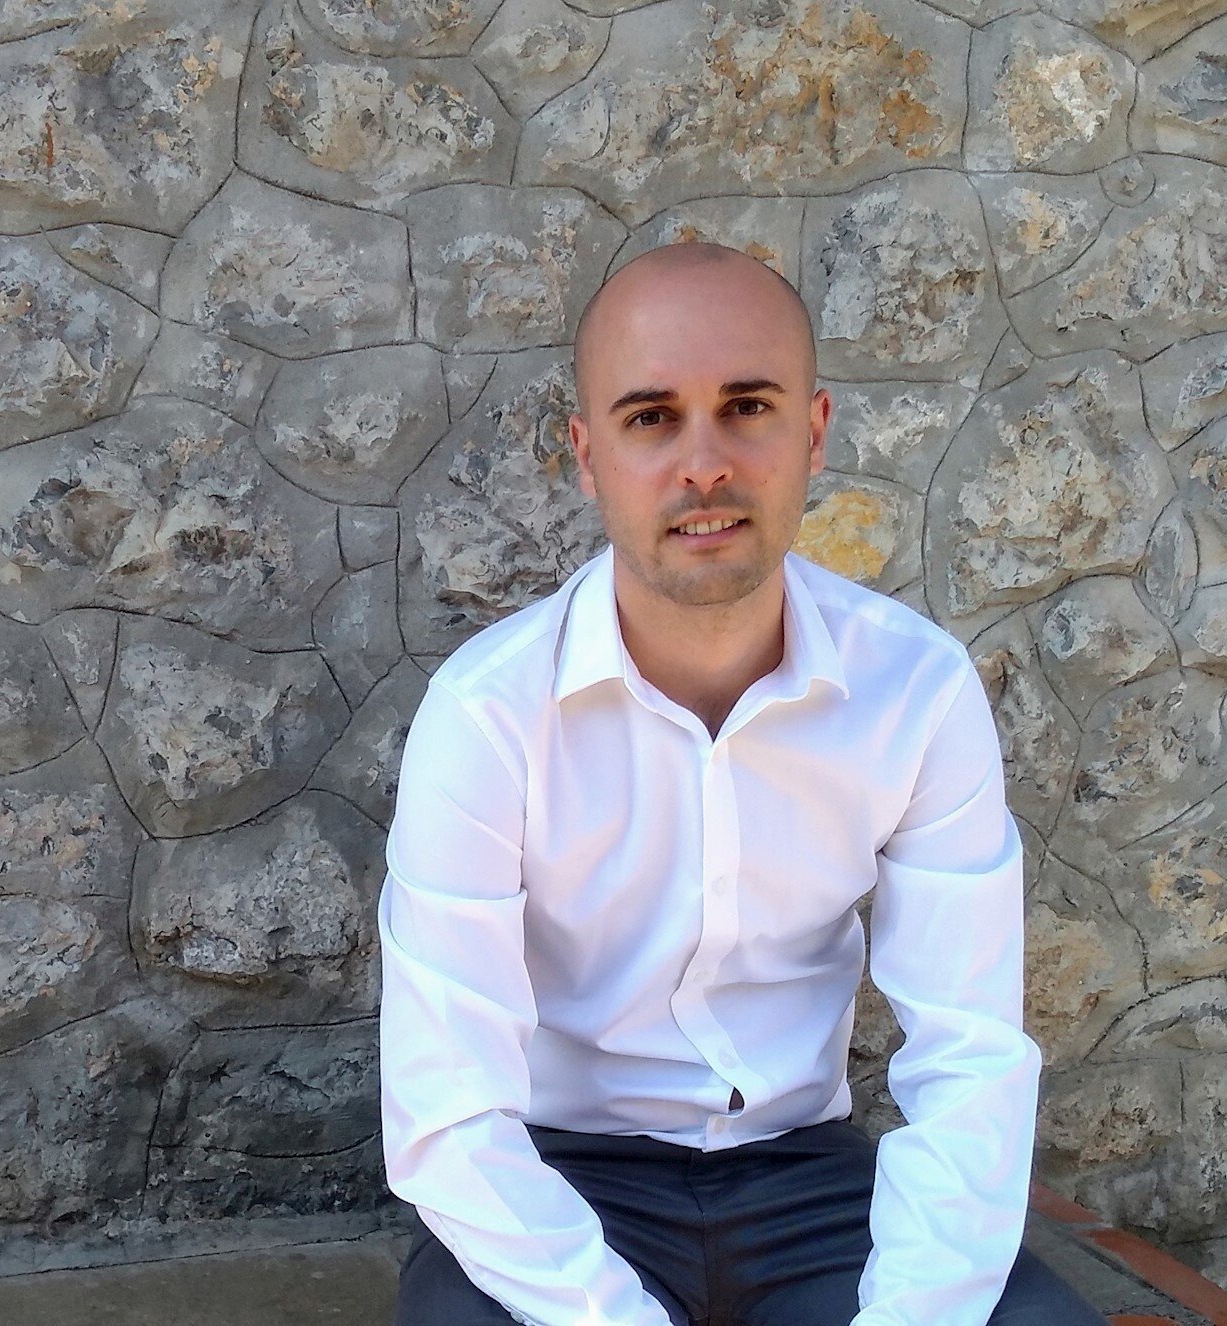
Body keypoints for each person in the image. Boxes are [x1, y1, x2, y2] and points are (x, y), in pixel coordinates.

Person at [377, 241, 1108, 1326]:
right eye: (650, 418)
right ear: (589, 456)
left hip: (809, 1182)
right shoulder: (489, 716)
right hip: (565, 1183)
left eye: (747, 408)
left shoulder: (914, 690)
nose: (704, 464)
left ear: (812, 432)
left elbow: (971, 1056)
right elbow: (448, 1118)